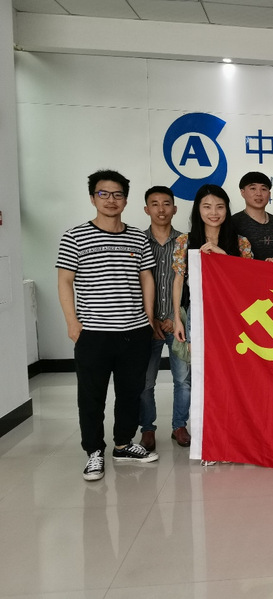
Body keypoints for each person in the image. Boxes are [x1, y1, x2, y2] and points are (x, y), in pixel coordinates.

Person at [56, 169, 159, 481]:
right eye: (104, 194)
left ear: (126, 200)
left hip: (134, 331)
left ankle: (123, 444)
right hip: (94, 333)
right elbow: (65, 281)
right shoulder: (75, 236)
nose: (111, 200)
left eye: (117, 194)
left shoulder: (138, 237)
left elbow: (146, 277)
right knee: (91, 396)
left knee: (130, 393)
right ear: (92, 198)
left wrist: (148, 318)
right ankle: (94, 452)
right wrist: (72, 323)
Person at [137, 185, 191, 451]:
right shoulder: (137, 242)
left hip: (177, 323)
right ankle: (147, 429)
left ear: (175, 209)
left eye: (166, 203)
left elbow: (191, 284)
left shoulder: (186, 242)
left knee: (183, 380)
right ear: (146, 209)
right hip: (146, 324)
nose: (161, 209)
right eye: (155, 204)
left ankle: (179, 425)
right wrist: (151, 319)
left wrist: (173, 316)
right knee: (145, 382)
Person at [172, 184, 254, 345]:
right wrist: (177, 318)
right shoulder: (185, 241)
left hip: (233, 315)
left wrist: (223, 256)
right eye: (207, 207)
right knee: (198, 360)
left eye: (220, 207)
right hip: (197, 314)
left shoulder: (241, 243)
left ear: (226, 210)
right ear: (198, 209)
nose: (214, 213)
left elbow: (246, 282)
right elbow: (178, 281)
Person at [231, 171, 273, 261]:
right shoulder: (234, 222)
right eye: (253, 188)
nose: (259, 193)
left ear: (269, 194)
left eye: (263, 189)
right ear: (242, 192)